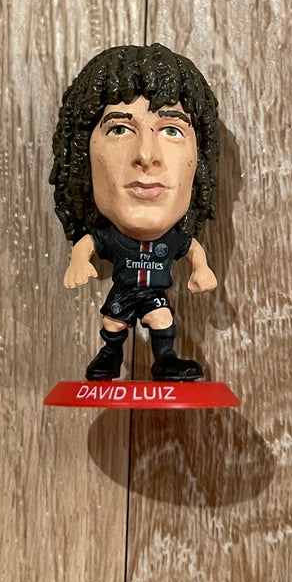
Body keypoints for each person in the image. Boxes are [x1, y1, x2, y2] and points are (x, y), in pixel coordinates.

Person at [50, 43, 219, 381]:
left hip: (153, 295)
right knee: (113, 324)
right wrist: (79, 261)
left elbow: (192, 251)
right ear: (81, 155)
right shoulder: (108, 238)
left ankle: (165, 359)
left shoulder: (175, 241)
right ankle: (110, 356)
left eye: (172, 130)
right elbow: (87, 246)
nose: (146, 155)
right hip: (124, 293)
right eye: (119, 129)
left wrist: (201, 269)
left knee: (162, 321)